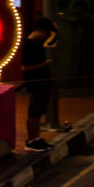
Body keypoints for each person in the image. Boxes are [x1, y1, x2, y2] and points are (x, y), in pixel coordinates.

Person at [22, 16, 57, 152]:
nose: (48, 36)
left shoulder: (38, 43)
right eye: (48, 33)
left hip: (42, 83)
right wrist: (45, 64)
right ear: (42, 31)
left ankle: (36, 138)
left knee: (38, 112)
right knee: (34, 112)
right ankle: (32, 140)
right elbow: (25, 67)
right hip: (35, 82)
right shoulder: (29, 45)